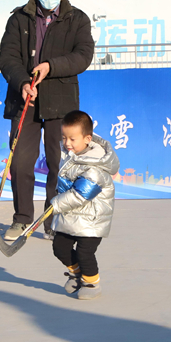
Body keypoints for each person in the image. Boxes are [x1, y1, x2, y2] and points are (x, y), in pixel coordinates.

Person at [0, 0, 94, 241]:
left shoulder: (77, 19)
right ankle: (21, 220)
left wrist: (51, 66)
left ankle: (53, 220)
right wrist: (22, 83)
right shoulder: (19, 18)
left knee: (58, 164)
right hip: (25, 100)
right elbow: (7, 57)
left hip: (60, 101)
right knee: (20, 163)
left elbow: (83, 56)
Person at [50, 111, 119, 300]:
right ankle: (76, 273)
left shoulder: (95, 166)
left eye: (72, 139)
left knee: (84, 252)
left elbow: (80, 195)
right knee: (59, 247)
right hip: (71, 214)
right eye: (64, 137)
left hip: (92, 219)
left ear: (88, 139)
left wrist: (55, 204)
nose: (67, 143)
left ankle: (91, 283)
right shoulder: (71, 155)